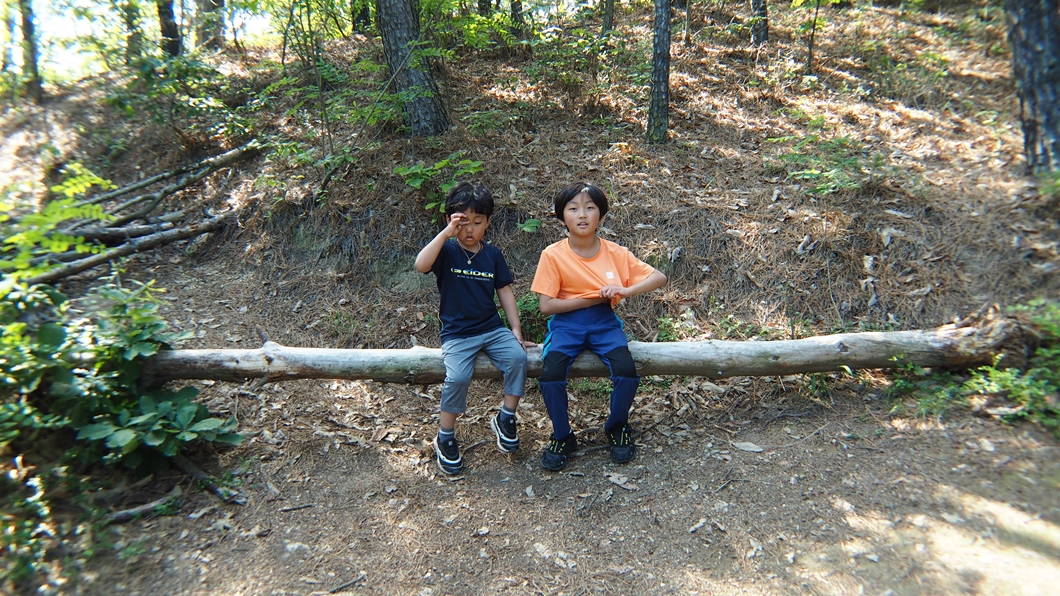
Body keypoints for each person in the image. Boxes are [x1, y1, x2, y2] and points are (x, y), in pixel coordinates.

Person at [530, 182, 667, 471]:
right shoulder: (553, 255)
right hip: (566, 325)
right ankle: (562, 435)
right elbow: (547, 306)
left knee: (626, 370)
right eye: (573, 209)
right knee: (551, 373)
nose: (582, 214)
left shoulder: (615, 252)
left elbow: (659, 277)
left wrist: (625, 290)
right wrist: (592, 297)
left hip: (604, 323)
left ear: (601, 216)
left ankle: (617, 426)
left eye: (590, 208)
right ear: (562, 218)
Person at [414, 181, 530, 476]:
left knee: (518, 358)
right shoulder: (447, 250)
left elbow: (505, 292)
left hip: (491, 328)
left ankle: (506, 417)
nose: (470, 229)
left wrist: (515, 329)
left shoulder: (492, 255)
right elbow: (420, 265)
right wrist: (445, 233)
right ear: (451, 221)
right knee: (458, 377)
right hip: (457, 333)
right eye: (464, 222)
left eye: (478, 222)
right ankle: (445, 436)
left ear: (487, 223)